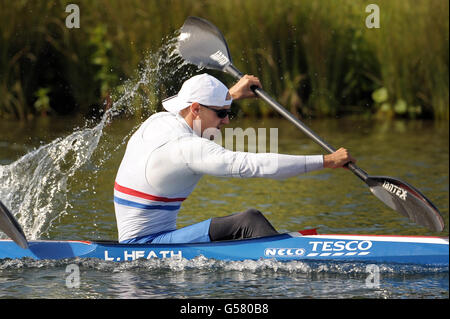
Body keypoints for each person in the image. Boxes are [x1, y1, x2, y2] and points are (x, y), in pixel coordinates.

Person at [114, 73, 355, 244]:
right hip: (146, 246)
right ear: (196, 109)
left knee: (247, 221)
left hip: (148, 240)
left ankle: (280, 251)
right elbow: (256, 166)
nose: (227, 121)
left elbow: (198, 105)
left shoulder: (157, 121)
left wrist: (228, 96)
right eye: (221, 113)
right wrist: (326, 161)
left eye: (227, 112)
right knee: (248, 221)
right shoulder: (187, 150)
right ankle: (291, 266)